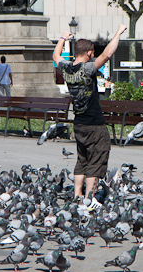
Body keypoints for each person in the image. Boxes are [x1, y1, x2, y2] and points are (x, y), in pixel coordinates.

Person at [52, 23, 127, 206]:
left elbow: (55, 56)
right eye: (92, 52)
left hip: (79, 124)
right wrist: (118, 32)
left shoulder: (66, 68)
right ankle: (88, 199)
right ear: (88, 53)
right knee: (97, 158)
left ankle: (77, 195)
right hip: (94, 123)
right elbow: (108, 54)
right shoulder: (88, 68)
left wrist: (62, 38)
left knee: (82, 158)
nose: (93, 55)